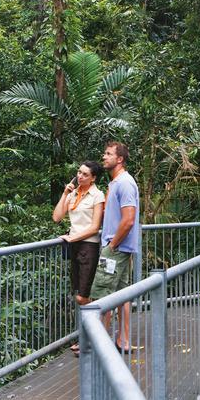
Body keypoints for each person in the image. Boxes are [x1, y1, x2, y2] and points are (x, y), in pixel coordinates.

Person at [90, 142, 140, 353]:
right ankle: (123, 340)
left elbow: (128, 220)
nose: (104, 157)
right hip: (120, 248)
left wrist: (111, 246)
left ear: (120, 159)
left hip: (116, 249)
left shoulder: (125, 183)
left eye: (108, 154)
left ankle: (100, 344)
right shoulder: (116, 183)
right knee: (121, 294)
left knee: (102, 293)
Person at [52, 160, 105, 356]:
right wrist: (65, 193)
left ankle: (94, 336)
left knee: (83, 296)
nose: (80, 176)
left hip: (88, 246)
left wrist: (71, 237)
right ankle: (89, 337)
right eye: (79, 173)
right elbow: (57, 217)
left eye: (84, 174)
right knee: (81, 295)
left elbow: (94, 227)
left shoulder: (97, 196)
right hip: (73, 245)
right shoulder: (74, 194)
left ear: (93, 178)